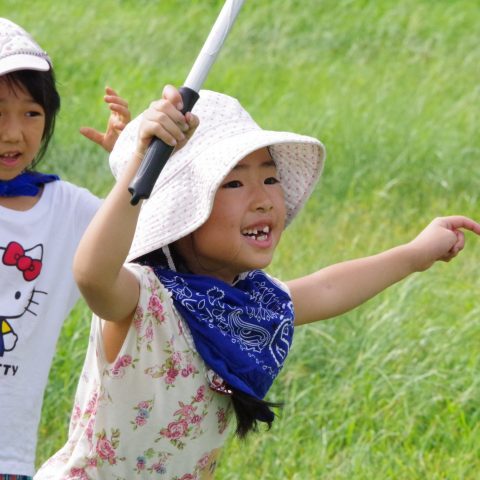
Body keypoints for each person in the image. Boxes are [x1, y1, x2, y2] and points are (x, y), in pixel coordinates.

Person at [35, 85, 480, 479]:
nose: (264, 198)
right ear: (181, 210)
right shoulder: (145, 298)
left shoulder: (250, 304)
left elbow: (327, 289)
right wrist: (141, 164)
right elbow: (91, 273)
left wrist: (414, 254)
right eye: (233, 183)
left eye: (270, 177)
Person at [0, 18, 130, 479]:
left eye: (31, 114)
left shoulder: (66, 210)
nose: (13, 133)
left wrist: (130, 168)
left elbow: (153, 245)